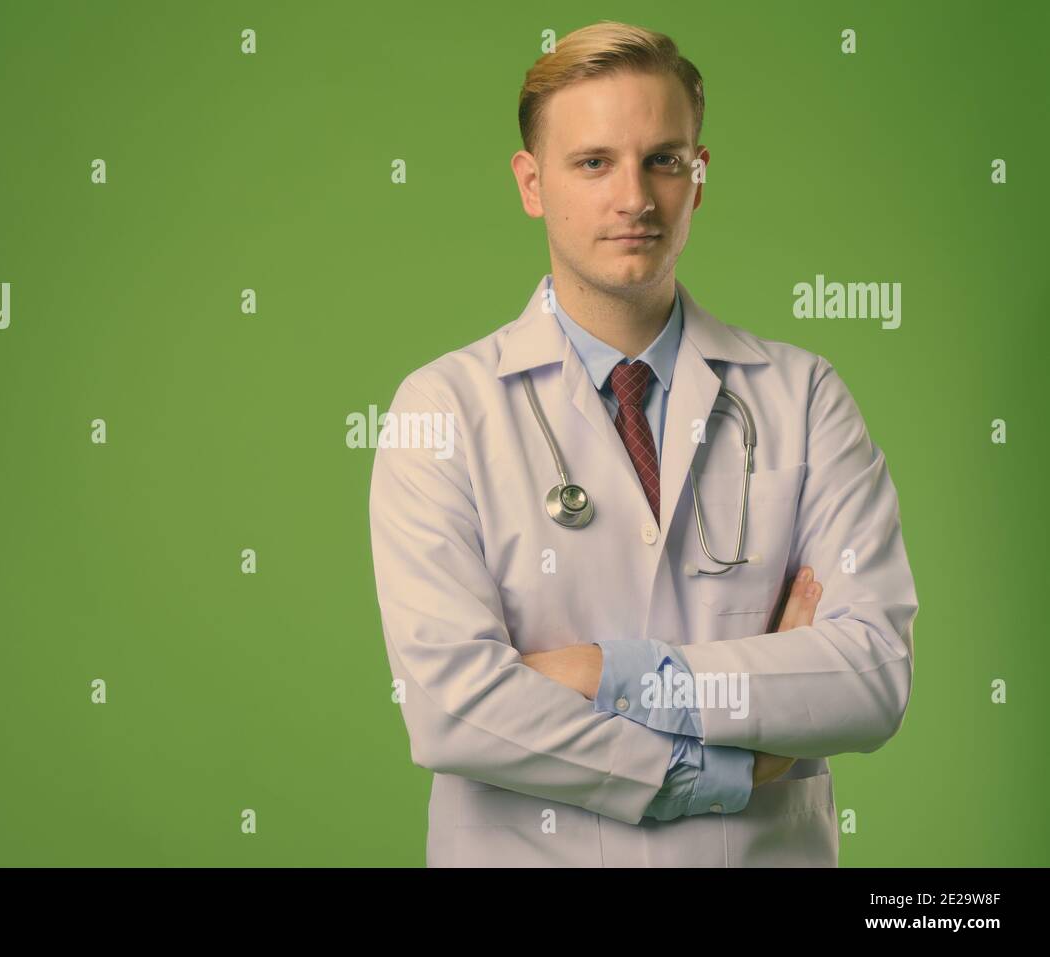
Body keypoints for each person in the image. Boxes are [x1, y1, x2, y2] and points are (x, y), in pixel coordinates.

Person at [367, 20, 918, 867]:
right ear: (532, 183)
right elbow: (452, 708)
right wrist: (725, 762)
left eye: (664, 159)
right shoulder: (439, 409)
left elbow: (871, 674)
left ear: (699, 179)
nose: (635, 197)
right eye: (594, 163)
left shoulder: (803, 396)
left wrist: (603, 671)